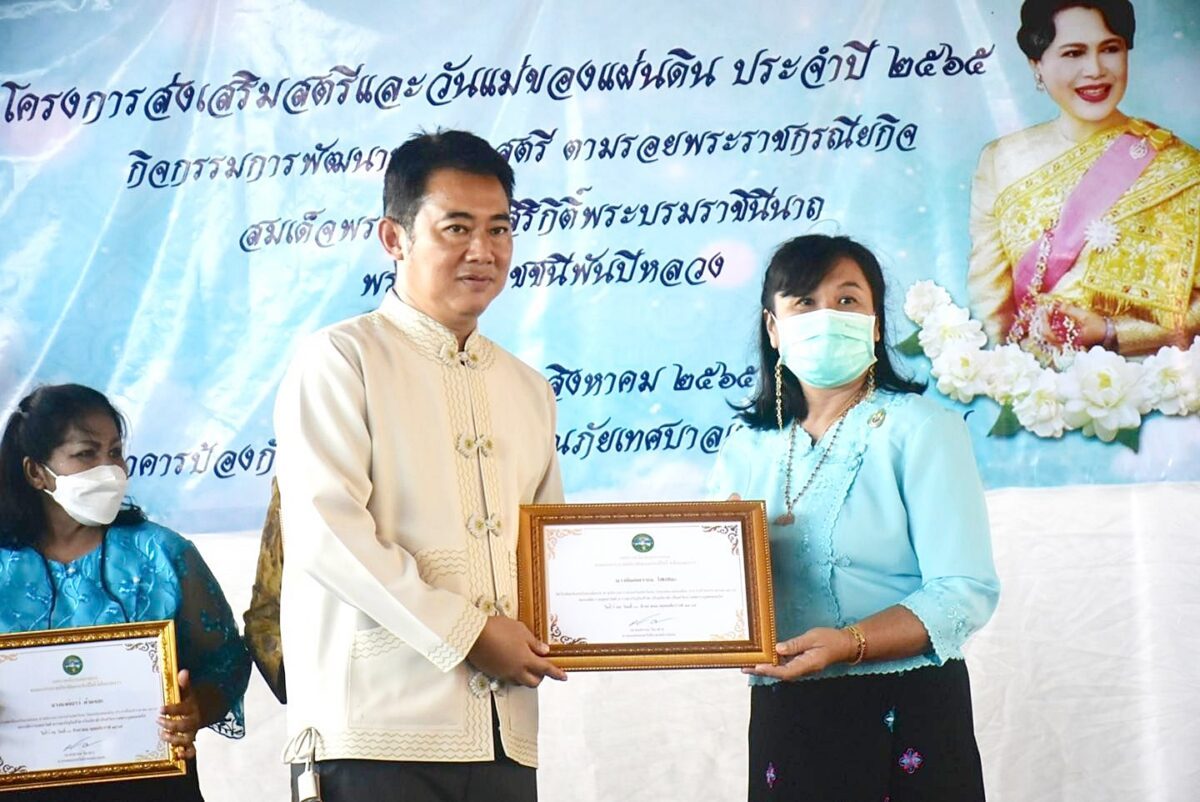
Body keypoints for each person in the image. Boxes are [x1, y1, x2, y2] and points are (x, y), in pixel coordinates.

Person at [273, 129, 566, 802]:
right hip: (371, 735)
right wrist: (468, 632)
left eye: (499, 229)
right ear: (394, 238)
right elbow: (325, 532)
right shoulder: (340, 359)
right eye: (456, 228)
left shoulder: (527, 388)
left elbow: (548, 548)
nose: (483, 250)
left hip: (504, 736)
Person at [707, 235, 1000, 800]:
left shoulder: (922, 429)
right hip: (785, 712)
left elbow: (964, 591)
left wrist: (850, 642)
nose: (826, 317)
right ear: (773, 328)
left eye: (846, 300)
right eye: (805, 302)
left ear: (875, 324)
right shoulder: (745, 447)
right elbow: (714, 583)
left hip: (905, 710)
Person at [0, 383, 250, 802]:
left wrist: (195, 710)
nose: (109, 468)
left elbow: (226, 660)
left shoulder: (163, 554)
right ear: (35, 472)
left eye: (115, 451)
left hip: (153, 787)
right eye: (86, 454)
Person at [967, 0, 1200, 362]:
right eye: (1073, 53)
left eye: (1110, 49)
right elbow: (989, 305)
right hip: (1029, 384)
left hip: (1149, 382)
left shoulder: (1181, 166)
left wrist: (1111, 331)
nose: (1095, 70)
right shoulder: (1000, 161)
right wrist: (1002, 379)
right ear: (1036, 64)